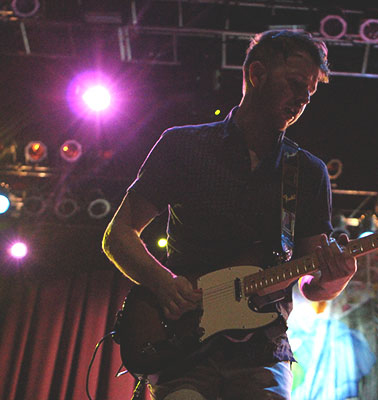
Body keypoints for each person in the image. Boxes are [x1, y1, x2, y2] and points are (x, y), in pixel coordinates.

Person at [102, 30, 357, 400]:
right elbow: (118, 234)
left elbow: (311, 281)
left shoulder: (308, 172)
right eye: (295, 83)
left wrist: (336, 279)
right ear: (257, 74)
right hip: (182, 342)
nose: (304, 98)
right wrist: (163, 284)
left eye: (311, 92)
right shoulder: (183, 146)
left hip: (262, 350)